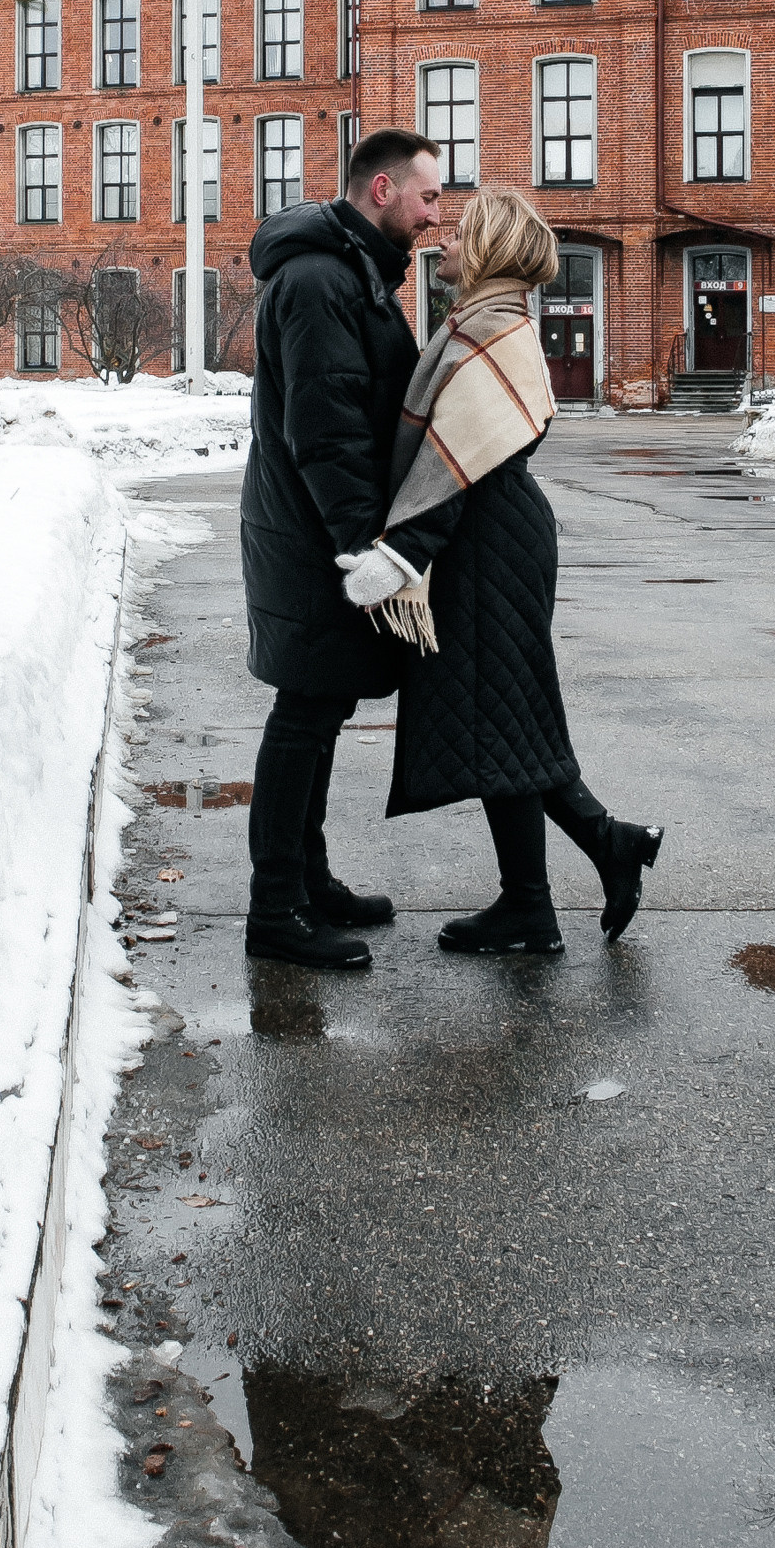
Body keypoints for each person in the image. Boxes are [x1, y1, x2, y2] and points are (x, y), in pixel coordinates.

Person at [338, 185, 665, 956]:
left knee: (499, 711)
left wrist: (401, 555)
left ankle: (540, 895)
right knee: (501, 714)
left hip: (486, 538)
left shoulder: (491, 330)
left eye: (456, 238)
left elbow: (464, 462)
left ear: (485, 252)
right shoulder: (486, 322)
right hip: (490, 536)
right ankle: (572, 869)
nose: (438, 245)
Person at [239, 127, 446, 970]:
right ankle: (273, 911)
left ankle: (309, 882)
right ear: (382, 190)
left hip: (313, 532)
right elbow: (324, 431)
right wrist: (364, 549)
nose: (437, 215)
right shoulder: (323, 278)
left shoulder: (351, 270)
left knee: (317, 713)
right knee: (303, 715)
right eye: (428, 196)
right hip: (313, 538)